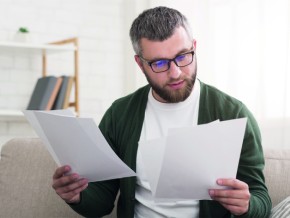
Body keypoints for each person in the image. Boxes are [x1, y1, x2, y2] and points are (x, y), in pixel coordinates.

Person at [52, 6, 272, 218]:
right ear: (140, 64)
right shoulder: (120, 114)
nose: (175, 73)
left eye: (183, 56)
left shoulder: (234, 113)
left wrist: (247, 205)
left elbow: (261, 198)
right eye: (159, 63)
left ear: (194, 46)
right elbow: (101, 202)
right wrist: (77, 196)